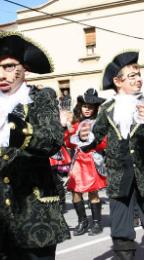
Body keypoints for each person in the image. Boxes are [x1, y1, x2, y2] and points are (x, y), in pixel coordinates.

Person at [79, 51, 144, 260]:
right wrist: (84, 136)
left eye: (139, 74)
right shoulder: (107, 109)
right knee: (121, 230)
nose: (138, 79)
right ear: (118, 81)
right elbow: (95, 139)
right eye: (132, 76)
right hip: (118, 176)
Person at [0, 31, 70, 260]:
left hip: (33, 212)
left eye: (9, 66)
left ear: (25, 68)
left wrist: (23, 134)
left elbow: (52, 139)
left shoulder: (41, 97)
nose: (2, 73)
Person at [64, 88, 107, 236]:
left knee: (93, 193)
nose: (87, 109)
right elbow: (68, 144)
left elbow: (104, 143)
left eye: (90, 107)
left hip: (92, 161)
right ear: (80, 107)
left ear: (95, 108)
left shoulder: (99, 123)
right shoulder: (75, 124)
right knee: (75, 192)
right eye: (85, 106)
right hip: (77, 162)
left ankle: (97, 223)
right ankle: (82, 221)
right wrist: (69, 132)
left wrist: (93, 141)